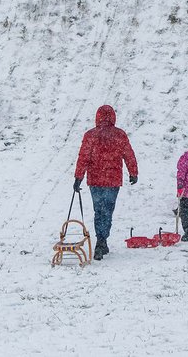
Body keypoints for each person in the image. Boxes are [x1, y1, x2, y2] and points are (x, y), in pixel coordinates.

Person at [73, 105, 139, 260]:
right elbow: (128, 154)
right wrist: (133, 172)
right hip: (112, 180)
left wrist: (78, 177)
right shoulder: (119, 135)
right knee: (107, 210)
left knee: (99, 210)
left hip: (95, 179)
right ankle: (103, 240)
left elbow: (83, 157)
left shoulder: (91, 135)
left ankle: (101, 240)